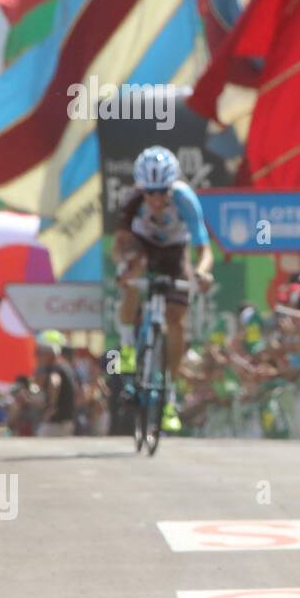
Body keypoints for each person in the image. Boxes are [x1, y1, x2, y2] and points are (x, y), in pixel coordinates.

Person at [113, 146, 213, 434]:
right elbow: (119, 243)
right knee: (135, 269)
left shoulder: (184, 198)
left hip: (174, 252)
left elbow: (204, 249)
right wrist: (123, 266)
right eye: (150, 191)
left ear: (172, 185)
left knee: (176, 318)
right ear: (141, 188)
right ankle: (129, 347)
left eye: (162, 191)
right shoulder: (132, 199)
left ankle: (169, 394)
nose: (156, 199)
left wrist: (203, 271)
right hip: (142, 247)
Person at [33, 330, 77, 437]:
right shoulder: (65, 366)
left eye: (40, 353)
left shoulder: (55, 368)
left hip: (56, 422)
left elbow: (55, 382)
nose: (38, 357)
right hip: (67, 420)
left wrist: (51, 407)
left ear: (49, 353)